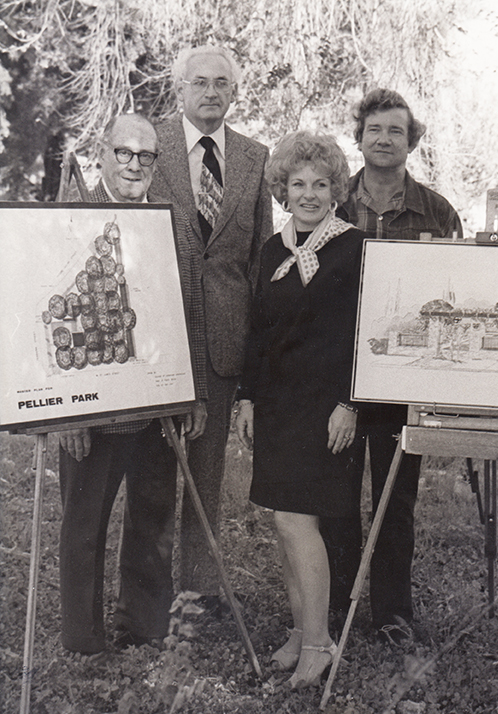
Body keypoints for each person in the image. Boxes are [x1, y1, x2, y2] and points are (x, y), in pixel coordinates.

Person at [57, 113, 208, 653]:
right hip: (91, 410)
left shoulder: (173, 224)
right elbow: (44, 324)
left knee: (152, 519)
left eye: (146, 156)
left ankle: (141, 628)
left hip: (158, 405)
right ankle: (83, 640)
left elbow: (192, 313)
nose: (135, 165)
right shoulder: (68, 222)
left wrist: (196, 395)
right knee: (85, 526)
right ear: (102, 153)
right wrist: (64, 416)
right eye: (124, 153)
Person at [320, 88, 463, 642]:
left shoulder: (437, 210)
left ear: (411, 142)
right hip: (339, 375)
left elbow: (452, 292)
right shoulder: (333, 205)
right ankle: (337, 603)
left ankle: (392, 612)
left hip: (406, 379)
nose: (383, 139)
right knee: (336, 492)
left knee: (394, 498)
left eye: (395, 131)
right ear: (359, 137)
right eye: (374, 129)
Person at [235, 131, 365, 687]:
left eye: (320, 184)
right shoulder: (271, 251)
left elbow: (363, 338)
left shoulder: (354, 247)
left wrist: (350, 404)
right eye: (298, 184)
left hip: (326, 410)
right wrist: (246, 397)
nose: (309, 193)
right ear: (282, 190)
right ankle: (299, 630)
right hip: (278, 406)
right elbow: (257, 333)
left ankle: (318, 643)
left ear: (335, 189)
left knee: (297, 520)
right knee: (284, 523)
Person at [150, 45, 273, 602]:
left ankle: (197, 596)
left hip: (225, 341)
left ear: (235, 92)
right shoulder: (152, 146)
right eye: (199, 82)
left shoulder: (254, 157)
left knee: (206, 476)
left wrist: (254, 359)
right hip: (160, 337)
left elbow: (259, 263)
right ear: (179, 90)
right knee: (153, 473)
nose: (211, 92)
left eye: (222, 83)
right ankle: (147, 599)